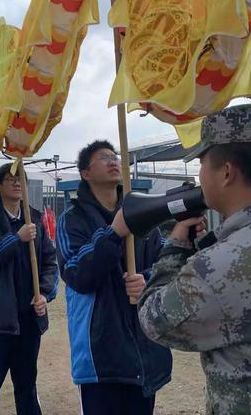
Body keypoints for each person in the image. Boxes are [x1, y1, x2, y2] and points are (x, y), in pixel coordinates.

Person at [112, 28, 251, 413]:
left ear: (226, 172)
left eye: (202, 164)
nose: (199, 176)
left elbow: (155, 319)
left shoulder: (217, 269)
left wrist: (174, 247)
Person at [56, 140, 172, 415]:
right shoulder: (73, 219)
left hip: (144, 350)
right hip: (101, 355)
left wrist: (146, 279)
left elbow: (166, 264)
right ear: (85, 173)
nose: (113, 161)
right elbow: (76, 274)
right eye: (104, 157)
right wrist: (113, 233)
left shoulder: (142, 215)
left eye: (115, 156)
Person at [0, 163, 59, 415]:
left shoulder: (36, 218)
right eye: (11, 179)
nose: (18, 182)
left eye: (21, 178)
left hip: (30, 319)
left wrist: (44, 292)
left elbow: (50, 263)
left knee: (27, 386)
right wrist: (15, 238)